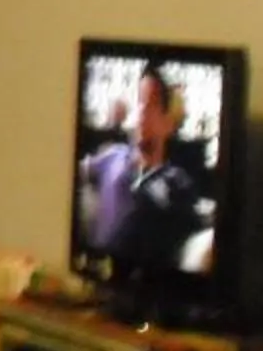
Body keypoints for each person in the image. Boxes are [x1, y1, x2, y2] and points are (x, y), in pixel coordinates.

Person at [77, 65, 204, 270]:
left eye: (151, 104)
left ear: (168, 123)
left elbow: (192, 237)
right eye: (139, 102)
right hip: (98, 269)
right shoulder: (113, 155)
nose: (142, 112)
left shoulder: (178, 181)